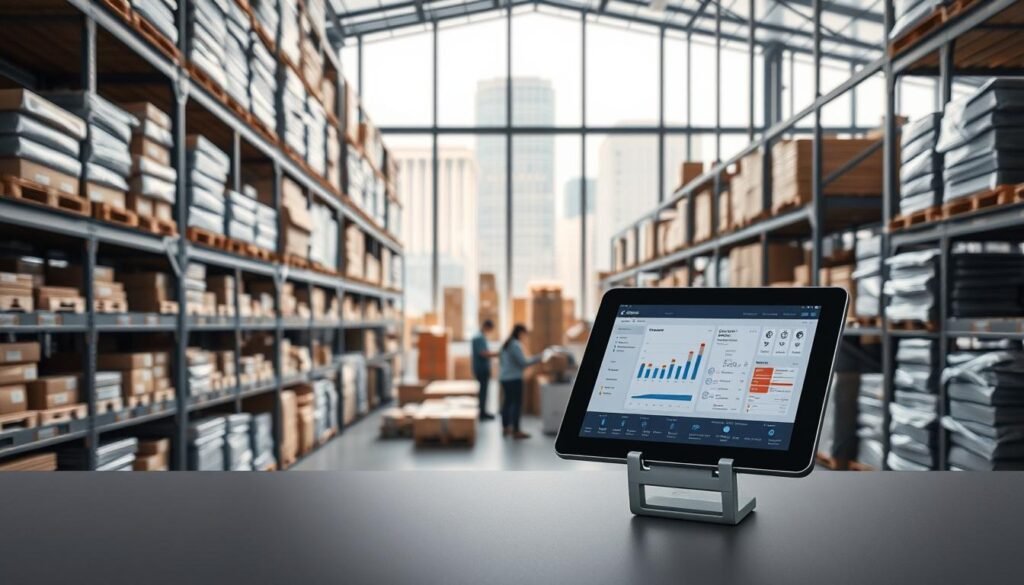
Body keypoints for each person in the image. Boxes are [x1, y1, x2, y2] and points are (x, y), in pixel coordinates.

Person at [499, 324, 542, 439]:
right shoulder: (515, 345)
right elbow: (524, 363)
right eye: (524, 334)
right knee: (516, 404)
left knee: (507, 403)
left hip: (505, 378)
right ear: (520, 333)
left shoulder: (506, 344)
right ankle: (516, 430)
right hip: (514, 379)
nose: (525, 337)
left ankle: (506, 427)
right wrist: (540, 357)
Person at [470, 319, 499, 420]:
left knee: (484, 391)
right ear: (486, 327)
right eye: (490, 329)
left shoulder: (480, 337)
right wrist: (498, 354)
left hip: (481, 368)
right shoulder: (479, 338)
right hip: (481, 369)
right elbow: (483, 353)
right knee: (483, 392)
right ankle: (482, 413)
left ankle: (483, 411)